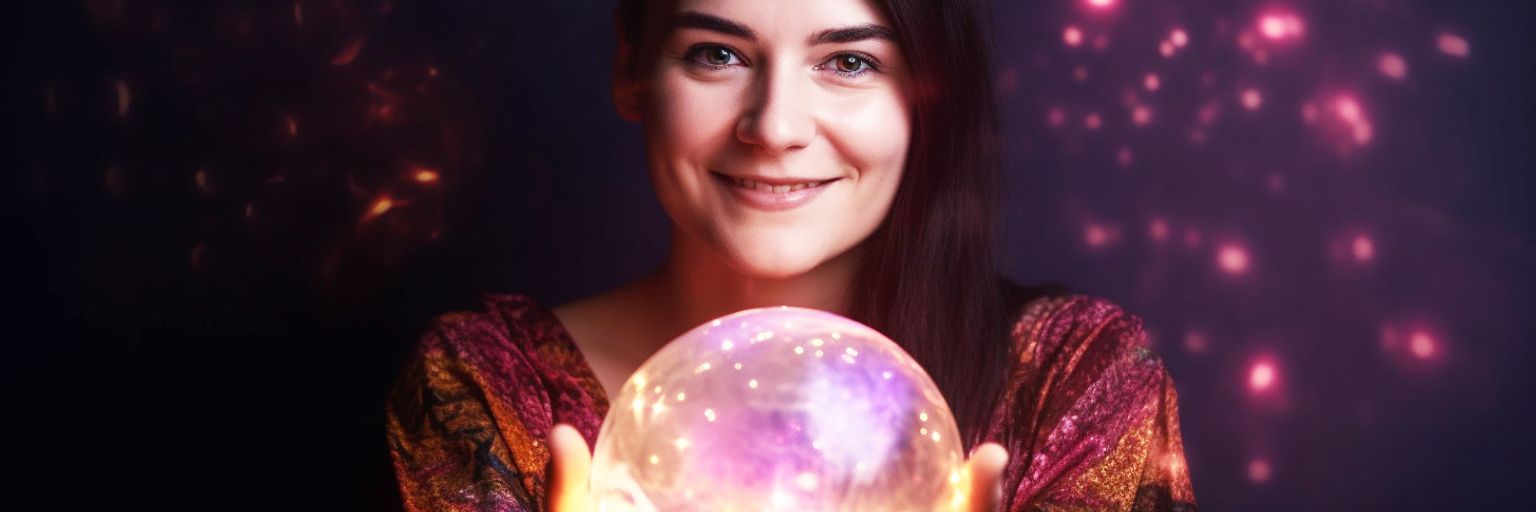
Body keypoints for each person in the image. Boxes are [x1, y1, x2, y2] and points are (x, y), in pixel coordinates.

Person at [385, 0, 1199, 510]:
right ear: (633, 69)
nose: (775, 126)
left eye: (849, 61)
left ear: (930, 95)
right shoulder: (483, 392)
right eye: (718, 53)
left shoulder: (1077, 383)